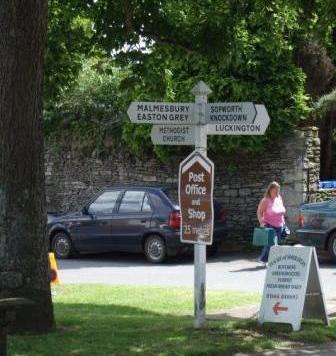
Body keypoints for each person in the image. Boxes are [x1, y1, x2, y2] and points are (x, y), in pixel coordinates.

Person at [257, 181, 286, 265]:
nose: (277, 192)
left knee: (270, 244)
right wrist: (261, 222)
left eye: (278, 190)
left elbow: (281, 211)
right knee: (273, 243)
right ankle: (273, 262)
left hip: (279, 225)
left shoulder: (279, 198)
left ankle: (263, 259)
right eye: (275, 191)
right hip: (269, 225)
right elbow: (259, 212)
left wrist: (284, 222)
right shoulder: (265, 200)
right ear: (270, 190)